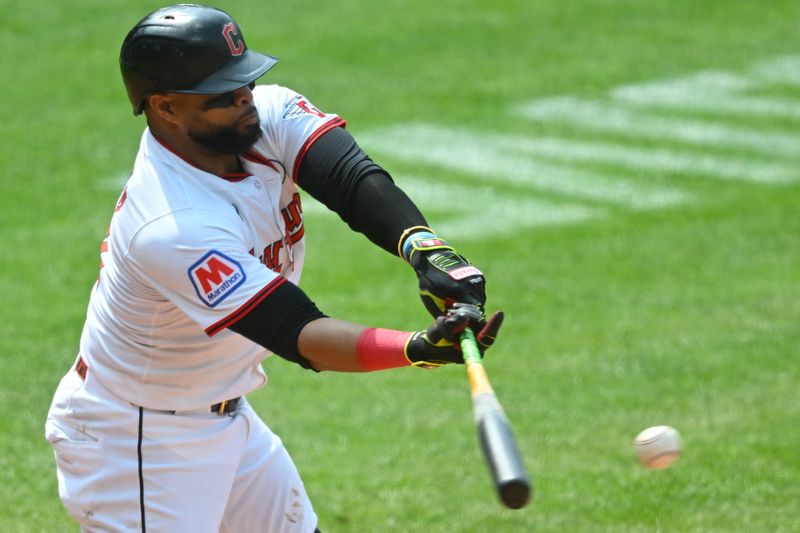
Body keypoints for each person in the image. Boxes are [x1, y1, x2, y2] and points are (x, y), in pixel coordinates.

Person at [45, 4, 503, 532]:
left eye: (245, 81)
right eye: (222, 95)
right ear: (166, 108)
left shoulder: (265, 115)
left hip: (224, 415)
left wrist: (425, 250)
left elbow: (352, 181)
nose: (245, 100)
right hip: (138, 443)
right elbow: (297, 332)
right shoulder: (171, 224)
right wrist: (416, 348)